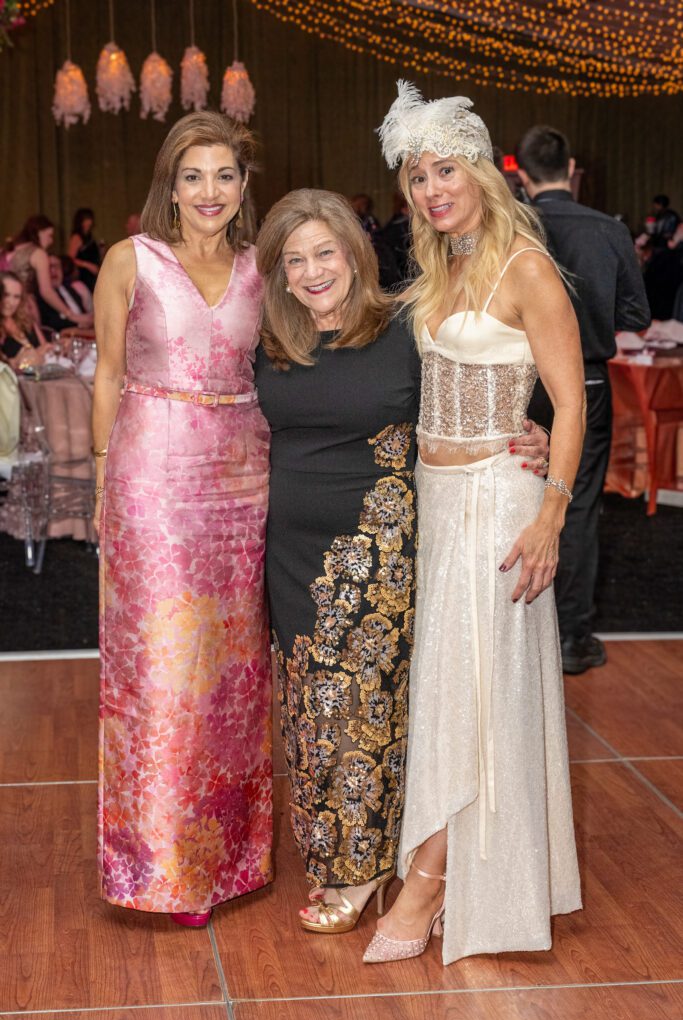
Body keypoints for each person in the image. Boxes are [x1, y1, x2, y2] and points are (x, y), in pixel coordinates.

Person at [254, 188, 550, 936]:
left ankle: (366, 871)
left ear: (355, 253)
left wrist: (528, 433)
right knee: (308, 710)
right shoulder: (270, 339)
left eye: (325, 252)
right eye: (294, 259)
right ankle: (342, 855)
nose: (312, 270)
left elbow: (475, 389)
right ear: (279, 275)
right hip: (287, 547)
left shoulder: (405, 327)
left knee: (368, 704)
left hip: (380, 544)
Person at [364, 82, 584, 966]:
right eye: (417, 176)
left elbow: (571, 404)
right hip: (437, 500)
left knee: (483, 694)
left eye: (444, 169)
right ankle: (453, 870)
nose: (430, 188)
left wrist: (552, 515)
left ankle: (425, 883)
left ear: (483, 173)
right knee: (451, 690)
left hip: (501, 503)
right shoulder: (440, 264)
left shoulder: (523, 266)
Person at [93, 110, 272, 929]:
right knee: (165, 669)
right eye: (193, 175)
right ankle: (161, 865)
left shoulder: (261, 267)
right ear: (171, 182)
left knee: (234, 675)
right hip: (152, 479)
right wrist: (101, 479)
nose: (210, 191)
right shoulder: (130, 260)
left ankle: (230, 854)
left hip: (243, 479)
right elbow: (105, 376)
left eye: (224, 175)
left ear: (243, 186)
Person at [516, 125, 650, 674]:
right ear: (571, 169)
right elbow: (637, 316)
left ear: (521, 176)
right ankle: (572, 636)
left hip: (520, 382)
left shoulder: (515, 228)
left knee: (517, 497)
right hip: (587, 384)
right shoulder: (606, 229)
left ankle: (522, 632)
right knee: (578, 507)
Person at [8, 215, 91, 330]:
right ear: (39, 232)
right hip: (24, 307)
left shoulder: (10, 249)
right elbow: (46, 291)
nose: (51, 241)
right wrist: (72, 316)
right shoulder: (38, 253)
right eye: (49, 236)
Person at [0, 270, 51, 370]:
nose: (10, 302)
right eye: (6, 295)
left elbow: (47, 350)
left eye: (16, 297)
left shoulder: (27, 321)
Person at [37, 255, 94, 332]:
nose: (54, 271)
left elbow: (83, 312)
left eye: (57, 266)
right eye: (49, 267)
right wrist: (79, 324)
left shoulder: (70, 289)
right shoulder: (42, 296)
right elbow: (50, 322)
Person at [68, 207, 101, 293]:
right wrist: (87, 265)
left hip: (92, 275)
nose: (89, 221)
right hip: (84, 275)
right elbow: (70, 259)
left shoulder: (89, 237)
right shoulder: (77, 237)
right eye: (87, 219)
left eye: (90, 218)